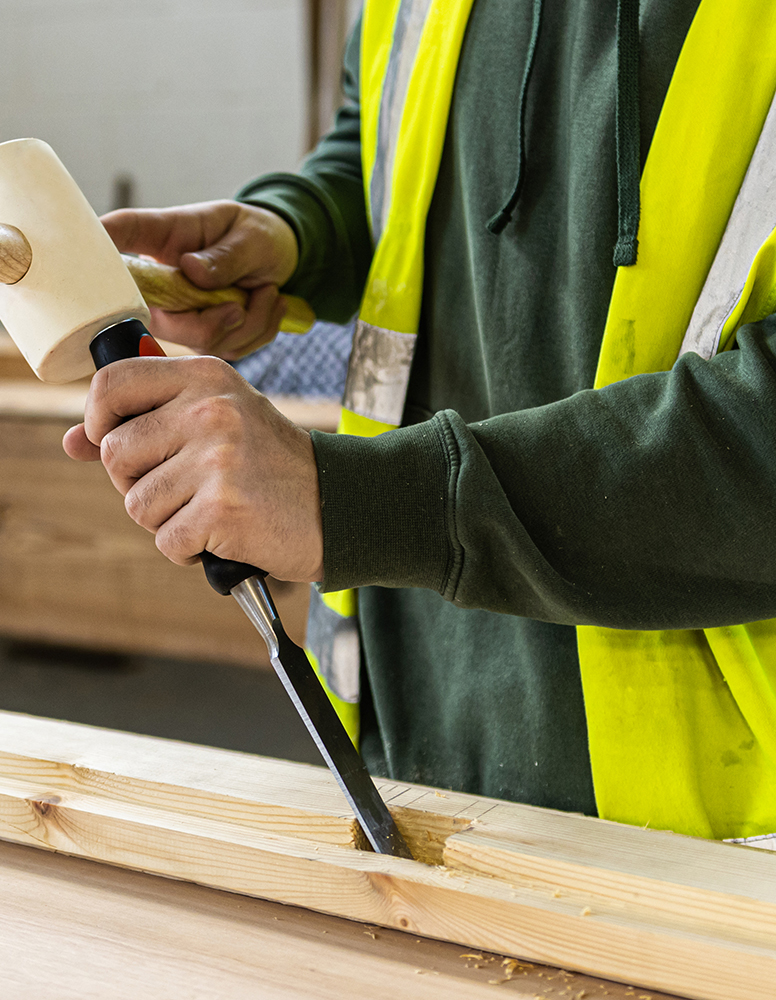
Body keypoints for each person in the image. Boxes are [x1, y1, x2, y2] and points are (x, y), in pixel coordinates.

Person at [63, 0, 776, 842]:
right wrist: (302, 229)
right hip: (416, 731)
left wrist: (362, 501)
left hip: (720, 821)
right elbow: (388, 127)